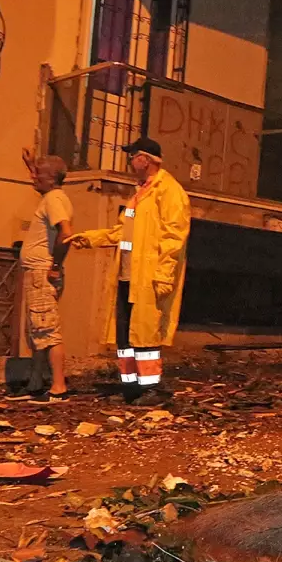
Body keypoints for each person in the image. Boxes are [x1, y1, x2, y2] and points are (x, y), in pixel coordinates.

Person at [69, 137, 189, 404]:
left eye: (132, 156)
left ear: (145, 159)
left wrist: (163, 274)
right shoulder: (139, 195)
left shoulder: (169, 191)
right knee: (125, 335)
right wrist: (91, 238)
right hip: (128, 276)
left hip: (148, 277)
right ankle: (131, 387)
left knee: (145, 334)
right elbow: (124, 233)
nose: (129, 161)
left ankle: (151, 390)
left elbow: (174, 237)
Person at [10, 149, 72, 403]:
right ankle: (36, 383)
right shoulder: (52, 195)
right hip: (38, 272)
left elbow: (65, 233)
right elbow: (41, 178)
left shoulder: (54, 199)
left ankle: (58, 387)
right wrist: (32, 166)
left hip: (42, 272)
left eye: (39, 174)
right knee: (38, 332)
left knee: (48, 331)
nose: (33, 178)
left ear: (52, 178)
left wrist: (55, 265)